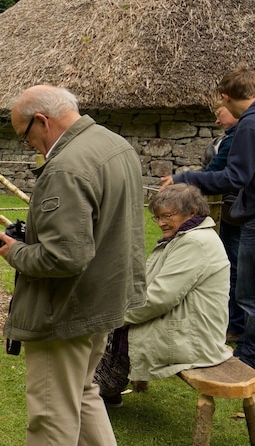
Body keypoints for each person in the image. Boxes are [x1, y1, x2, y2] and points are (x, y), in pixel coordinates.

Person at [0, 85, 145, 446]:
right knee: (82, 390)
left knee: (53, 401)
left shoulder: (65, 167)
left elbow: (65, 256)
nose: (29, 145)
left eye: (25, 135)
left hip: (68, 307)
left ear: (43, 121)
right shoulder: (114, 145)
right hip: (105, 297)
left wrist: (13, 251)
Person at [95, 185, 234, 406]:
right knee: (110, 320)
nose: (161, 223)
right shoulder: (183, 238)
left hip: (196, 340)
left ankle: (101, 387)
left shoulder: (195, 243)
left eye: (167, 216)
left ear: (192, 212)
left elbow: (158, 299)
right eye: (157, 217)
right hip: (185, 326)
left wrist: (114, 316)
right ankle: (105, 387)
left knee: (110, 326)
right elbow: (151, 288)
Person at [160, 65, 255, 367]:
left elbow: (234, 177)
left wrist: (186, 178)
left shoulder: (249, 126)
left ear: (226, 97)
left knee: (248, 292)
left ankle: (249, 358)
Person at [204, 105, 244, 341]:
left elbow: (218, 173)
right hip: (229, 211)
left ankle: (237, 327)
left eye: (220, 113)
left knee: (235, 270)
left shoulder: (239, 138)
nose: (217, 121)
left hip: (235, 212)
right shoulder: (227, 139)